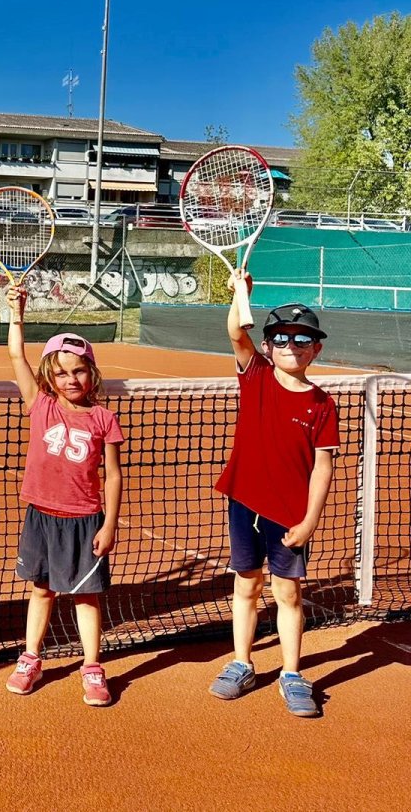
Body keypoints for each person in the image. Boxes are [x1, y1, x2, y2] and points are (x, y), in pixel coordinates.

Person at [208, 282, 338, 718]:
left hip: (290, 515)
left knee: (288, 594)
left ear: (315, 350)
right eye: (281, 337)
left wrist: (309, 522)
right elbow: (234, 334)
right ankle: (242, 662)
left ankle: (291, 673)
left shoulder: (323, 404)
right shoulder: (257, 375)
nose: (292, 345)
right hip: (245, 502)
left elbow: (323, 467)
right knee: (246, 585)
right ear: (268, 345)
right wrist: (237, 294)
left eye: (303, 338)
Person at [3, 287, 123, 706]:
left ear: (92, 373)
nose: (71, 379)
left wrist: (108, 524)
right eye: (62, 373)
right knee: (41, 590)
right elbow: (17, 356)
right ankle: (30, 658)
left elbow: (112, 475)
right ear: (48, 379)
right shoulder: (39, 404)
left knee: (86, 596)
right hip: (41, 516)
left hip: (84, 519)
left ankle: (92, 667)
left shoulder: (104, 418)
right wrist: (17, 315)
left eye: (79, 371)